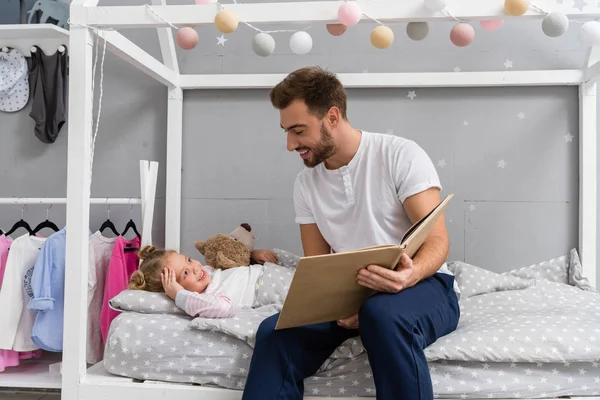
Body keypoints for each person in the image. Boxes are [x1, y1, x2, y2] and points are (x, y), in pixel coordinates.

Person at [241, 66, 461, 400]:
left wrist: (409, 275)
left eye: (298, 130)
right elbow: (317, 265)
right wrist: (333, 303)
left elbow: (437, 240)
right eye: (286, 131)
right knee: (274, 332)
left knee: (381, 314)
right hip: (351, 294)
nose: (290, 144)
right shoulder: (305, 184)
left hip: (424, 285)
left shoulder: (400, 155)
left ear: (332, 116)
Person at [128, 245, 281, 319]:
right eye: (185, 274)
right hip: (272, 290)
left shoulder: (207, 271)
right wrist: (180, 295)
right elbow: (223, 307)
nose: (194, 268)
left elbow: (233, 265)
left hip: (272, 271)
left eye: (188, 260)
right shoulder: (206, 298)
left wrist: (252, 256)